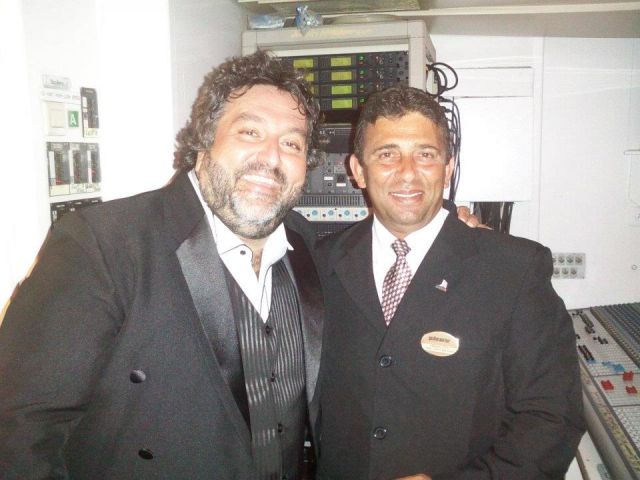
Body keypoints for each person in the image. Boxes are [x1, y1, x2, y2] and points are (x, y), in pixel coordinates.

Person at [0, 50, 324, 479]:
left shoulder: (306, 243)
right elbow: (21, 430)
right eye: (250, 132)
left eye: (292, 143)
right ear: (204, 143)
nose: (271, 157)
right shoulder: (101, 244)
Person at [316, 85, 585, 480]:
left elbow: (552, 416)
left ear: (448, 168)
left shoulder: (514, 270)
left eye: (425, 155)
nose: (407, 172)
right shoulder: (319, 262)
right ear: (357, 170)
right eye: (387, 154)